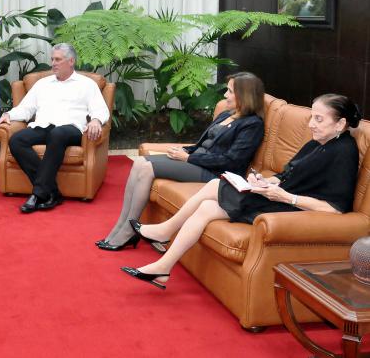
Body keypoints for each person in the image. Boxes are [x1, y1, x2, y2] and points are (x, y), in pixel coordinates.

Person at [121, 93, 361, 289]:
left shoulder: (344, 152)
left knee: (216, 185)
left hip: (292, 209)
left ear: (340, 123)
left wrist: (288, 196)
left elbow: (336, 208)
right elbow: (288, 175)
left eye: (319, 119)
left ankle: (165, 233)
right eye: (311, 117)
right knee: (207, 206)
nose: (311, 125)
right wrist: (265, 181)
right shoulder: (317, 143)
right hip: (276, 197)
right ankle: (163, 267)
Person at [97, 72, 265, 251]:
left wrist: (189, 157)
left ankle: (129, 232)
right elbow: (203, 143)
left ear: (244, 95)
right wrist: (185, 150)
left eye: (230, 91)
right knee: (139, 162)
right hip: (197, 160)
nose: (225, 95)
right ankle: (121, 225)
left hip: (214, 173)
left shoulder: (252, 125)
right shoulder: (226, 115)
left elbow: (231, 161)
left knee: (147, 168)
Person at [0, 43, 110, 213]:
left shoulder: (86, 84)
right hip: (44, 126)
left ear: (71, 61)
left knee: (58, 134)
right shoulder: (42, 84)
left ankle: (38, 194)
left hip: (71, 129)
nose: (53, 63)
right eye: (52, 59)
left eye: (58, 59)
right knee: (17, 140)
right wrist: (9, 115)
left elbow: (100, 110)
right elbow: (26, 108)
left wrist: (96, 120)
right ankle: (51, 191)